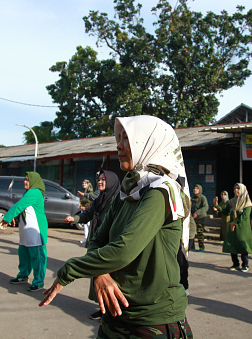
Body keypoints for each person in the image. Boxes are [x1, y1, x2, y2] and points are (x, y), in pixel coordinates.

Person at [40, 115, 193, 338]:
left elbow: (123, 250)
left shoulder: (161, 191)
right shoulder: (129, 189)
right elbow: (97, 240)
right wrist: (100, 272)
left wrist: (70, 270)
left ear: (149, 143)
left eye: (127, 138)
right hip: (113, 317)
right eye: (118, 138)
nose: (119, 145)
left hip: (154, 321)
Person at [64, 169, 120, 320]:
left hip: (109, 243)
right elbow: (87, 215)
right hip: (97, 241)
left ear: (112, 182)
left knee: (109, 277)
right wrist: (74, 219)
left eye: (104, 179)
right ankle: (103, 308)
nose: (100, 182)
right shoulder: (99, 198)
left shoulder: (117, 200)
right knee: (97, 276)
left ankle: (111, 310)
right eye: (99, 179)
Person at [0, 172, 48, 292]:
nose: (25, 182)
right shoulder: (29, 192)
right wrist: (15, 218)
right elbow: (26, 209)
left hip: (35, 230)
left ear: (34, 181)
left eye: (27, 180)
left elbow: (19, 206)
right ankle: (23, 276)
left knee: (37, 257)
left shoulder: (34, 192)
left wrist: (6, 219)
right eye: (25, 180)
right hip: (25, 230)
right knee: (24, 254)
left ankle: (38, 282)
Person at [222, 183, 252, 272]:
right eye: (235, 188)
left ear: (243, 190)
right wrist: (217, 206)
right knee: (232, 245)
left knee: (243, 246)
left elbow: (245, 216)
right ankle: (235, 264)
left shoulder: (247, 202)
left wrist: (234, 222)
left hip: (242, 228)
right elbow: (225, 211)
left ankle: (245, 265)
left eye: (238, 189)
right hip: (233, 228)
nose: (236, 190)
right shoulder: (232, 201)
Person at [191, 184, 208, 251]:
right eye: (194, 188)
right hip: (193, 218)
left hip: (201, 218)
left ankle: (201, 247)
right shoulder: (192, 198)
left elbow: (205, 207)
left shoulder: (202, 198)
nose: (195, 190)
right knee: (191, 232)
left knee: (199, 233)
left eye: (197, 188)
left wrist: (197, 213)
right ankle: (192, 245)